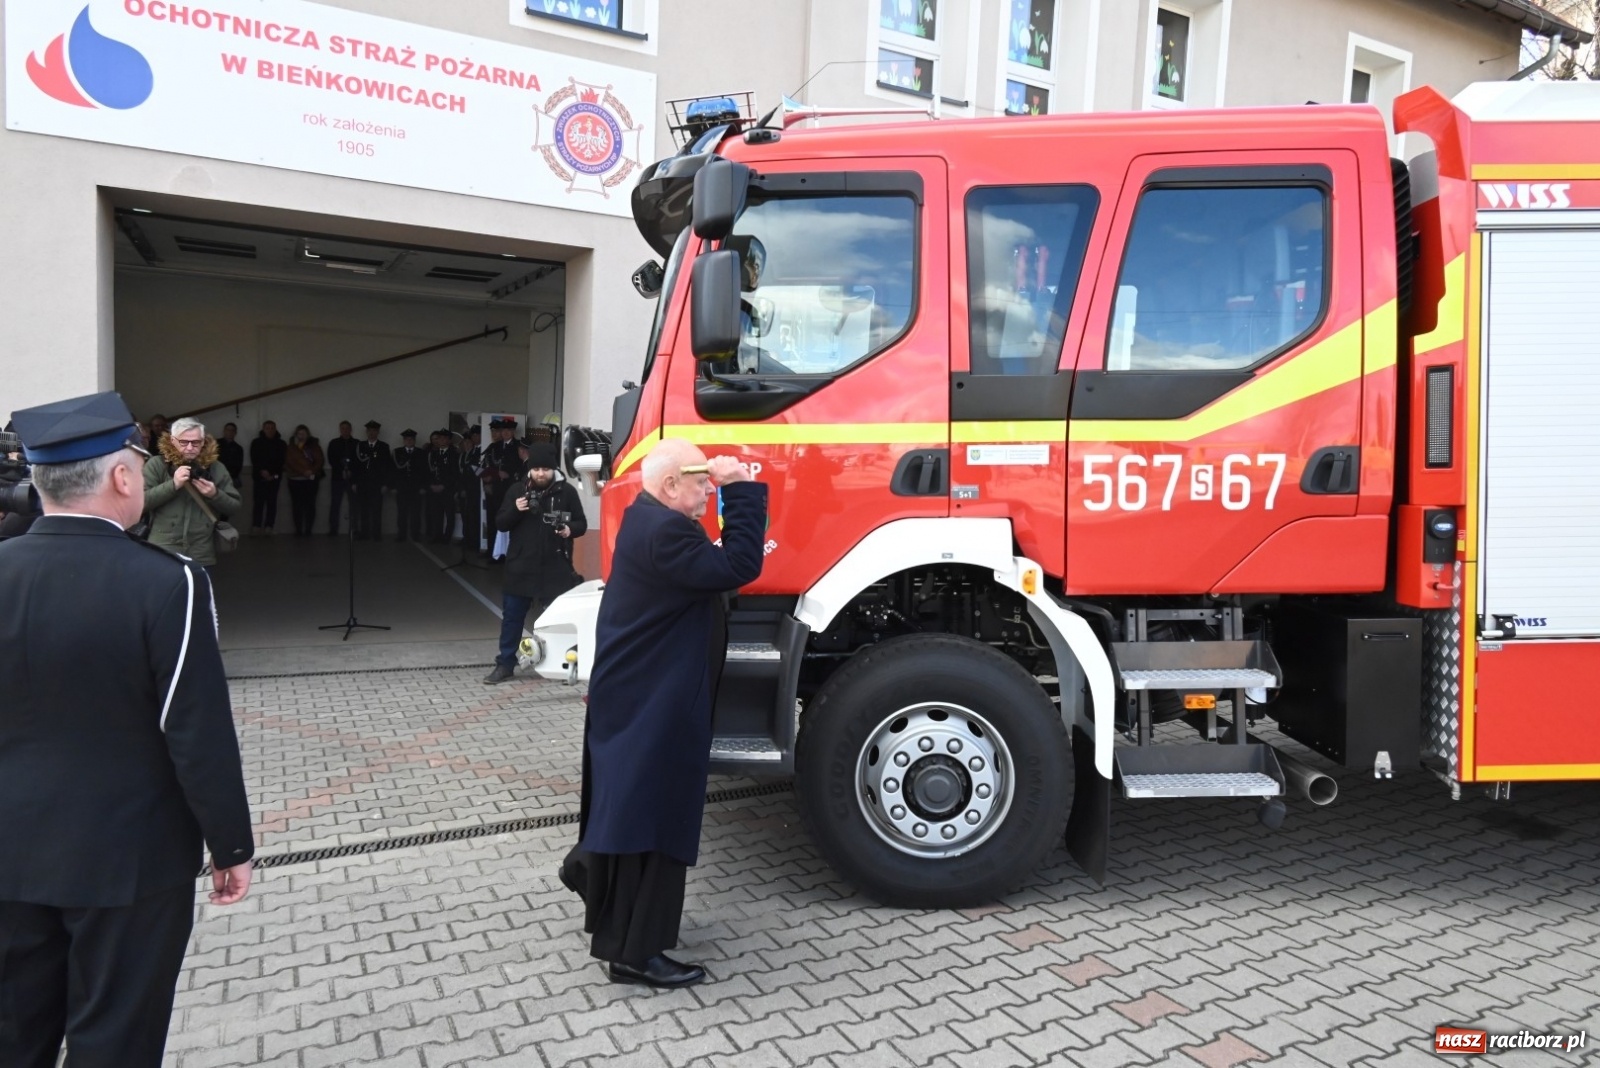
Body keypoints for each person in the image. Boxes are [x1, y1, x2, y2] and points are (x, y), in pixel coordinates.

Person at [0, 391, 253, 1068]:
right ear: (121, 476)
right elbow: (194, 729)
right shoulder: (170, 583)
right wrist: (230, 843)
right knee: (115, 1041)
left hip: (9, 851)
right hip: (130, 861)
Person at [559, 439, 766, 988]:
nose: (708, 491)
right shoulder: (666, 530)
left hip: (642, 695)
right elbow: (740, 564)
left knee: (634, 810)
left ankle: (594, 876)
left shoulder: (649, 518)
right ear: (671, 485)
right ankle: (633, 954)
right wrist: (741, 490)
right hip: (652, 700)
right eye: (701, 483)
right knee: (651, 820)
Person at [485, 441, 587, 685]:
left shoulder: (567, 492)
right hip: (520, 567)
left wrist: (568, 530)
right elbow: (500, 524)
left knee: (559, 621)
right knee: (512, 618)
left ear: (553, 469)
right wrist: (515, 509)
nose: (541, 473)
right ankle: (505, 664)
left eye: (546, 469)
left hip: (555, 566)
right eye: (536, 469)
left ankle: (564, 665)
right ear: (530, 469)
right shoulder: (516, 490)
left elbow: (581, 524)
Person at [142, 417, 241, 570]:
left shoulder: (216, 468)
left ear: (203, 442)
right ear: (173, 441)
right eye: (183, 442)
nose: (189, 448)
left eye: (195, 442)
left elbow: (234, 507)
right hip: (163, 549)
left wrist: (214, 494)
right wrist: (173, 485)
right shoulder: (156, 465)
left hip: (201, 552)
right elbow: (140, 504)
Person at [483, 418, 520, 557]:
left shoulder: (518, 446)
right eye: (503, 430)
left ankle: (507, 553)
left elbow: (520, 467)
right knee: (493, 520)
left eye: (508, 430)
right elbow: (487, 466)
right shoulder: (494, 447)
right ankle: (492, 552)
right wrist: (488, 482)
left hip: (509, 489)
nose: (505, 433)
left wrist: (508, 475)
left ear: (513, 431)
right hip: (494, 488)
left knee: (507, 520)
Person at [283, 424, 325, 536]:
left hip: (311, 479)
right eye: (299, 433)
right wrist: (303, 471)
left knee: (310, 505)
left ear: (308, 434)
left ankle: (308, 529)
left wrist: (311, 471)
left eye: (304, 433)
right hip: (295, 479)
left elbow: (320, 460)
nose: (301, 436)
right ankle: (298, 529)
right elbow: (290, 462)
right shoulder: (291, 447)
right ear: (296, 435)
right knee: (297, 505)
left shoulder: (314, 446)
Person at [353, 420, 391, 540]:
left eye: (374, 430)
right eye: (369, 430)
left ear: (378, 432)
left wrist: (385, 484)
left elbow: (387, 467)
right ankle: (364, 533)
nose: (371, 433)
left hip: (377, 483)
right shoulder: (360, 446)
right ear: (366, 432)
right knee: (363, 510)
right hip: (362, 483)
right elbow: (356, 466)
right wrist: (354, 482)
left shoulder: (384, 447)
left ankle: (376, 534)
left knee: (376, 510)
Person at [248, 420, 287, 535]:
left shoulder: (281, 443)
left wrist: (272, 474)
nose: (270, 430)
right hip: (259, 477)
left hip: (275, 477)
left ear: (275, 429)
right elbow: (254, 458)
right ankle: (256, 525)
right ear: (263, 429)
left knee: (272, 502)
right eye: (267, 428)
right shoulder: (256, 442)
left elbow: (282, 460)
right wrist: (262, 471)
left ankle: (269, 526)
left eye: (272, 428)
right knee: (258, 502)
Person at [426, 428, 462, 544]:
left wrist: (444, 485)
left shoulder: (454, 454)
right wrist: (432, 485)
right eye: (440, 438)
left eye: (445, 438)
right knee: (436, 514)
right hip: (434, 488)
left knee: (449, 514)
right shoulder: (433, 454)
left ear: (449, 440)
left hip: (448, 489)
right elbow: (429, 472)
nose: (442, 441)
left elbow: (455, 473)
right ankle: (437, 535)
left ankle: (447, 537)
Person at [392, 429, 425, 542]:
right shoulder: (397, 452)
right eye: (407, 439)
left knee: (416, 513)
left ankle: (415, 534)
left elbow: (424, 472)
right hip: (402, 488)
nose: (409, 441)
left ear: (414, 440)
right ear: (404, 441)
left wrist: (422, 487)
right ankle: (402, 534)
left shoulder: (421, 452)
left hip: (416, 488)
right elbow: (393, 471)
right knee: (402, 512)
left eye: (411, 439)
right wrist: (394, 486)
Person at [325, 420, 358, 536]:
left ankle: (353, 528)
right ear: (340, 430)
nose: (345, 430)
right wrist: (342, 471)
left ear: (351, 429)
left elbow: (359, 461)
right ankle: (333, 529)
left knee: (354, 504)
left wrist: (351, 471)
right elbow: (332, 459)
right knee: (335, 504)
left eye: (347, 428)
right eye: (342, 428)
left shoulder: (357, 443)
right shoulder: (334, 443)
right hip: (337, 478)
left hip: (352, 479)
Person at [458, 425, 484, 550]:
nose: (475, 438)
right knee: (469, 515)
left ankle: (476, 541)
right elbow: (464, 471)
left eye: (477, 435)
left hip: (478, 488)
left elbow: (481, 470)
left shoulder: (482, 450)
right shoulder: (471, 451)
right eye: (473, 435)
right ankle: (469, 539)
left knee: (476, 516)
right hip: (469, 488)